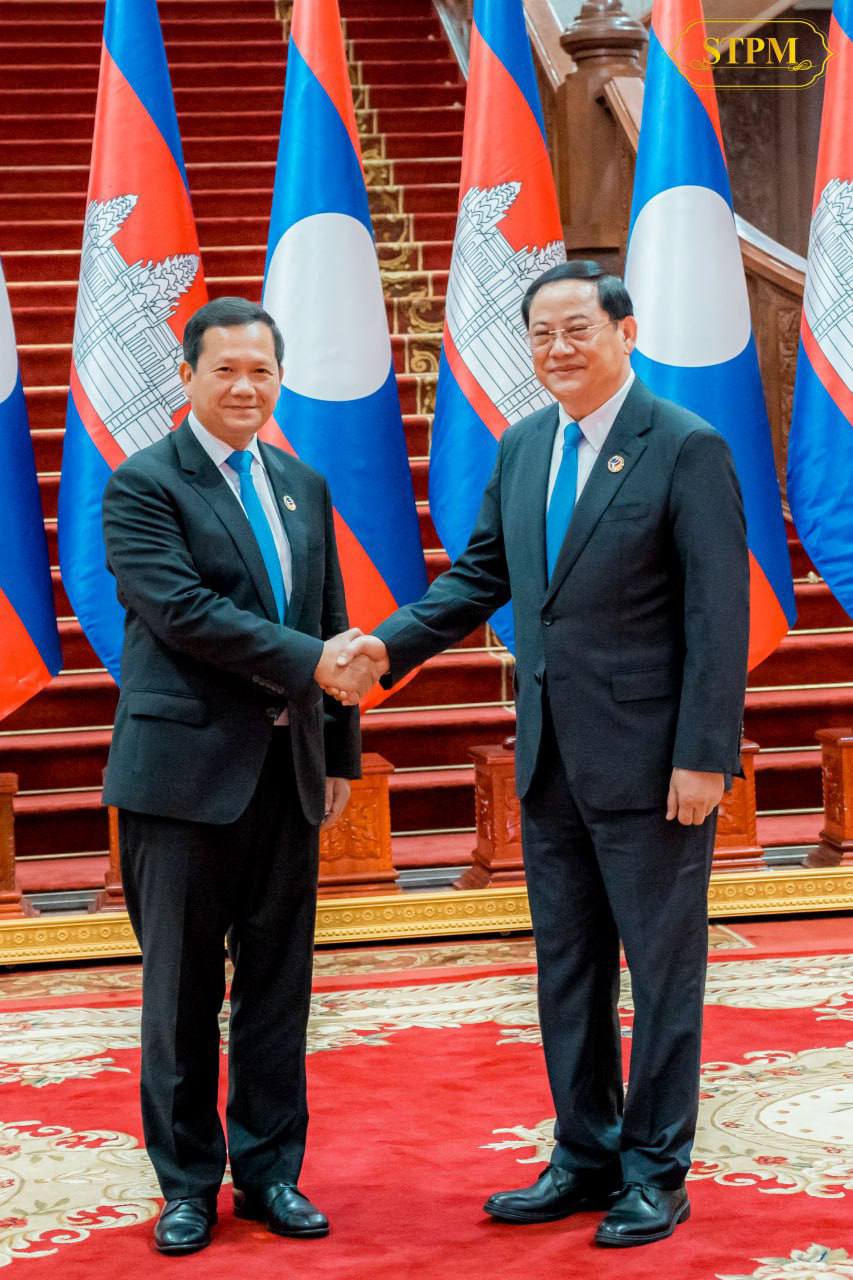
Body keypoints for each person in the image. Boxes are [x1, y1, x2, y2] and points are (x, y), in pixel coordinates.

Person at [327, 260, 749, 1247]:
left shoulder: (684, 446)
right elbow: (481, 575)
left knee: (662, 972)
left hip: (654, 764)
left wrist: (703, 754)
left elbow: (715, 615)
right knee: (567, 967)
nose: (557, 349)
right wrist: (387, 646)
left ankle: (656, 1171)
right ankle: (583, 1152)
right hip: (552, 757)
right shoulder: (523, 446)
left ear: (624, 333)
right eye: (540, 333)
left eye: (576, 329)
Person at [101, 297, 362, 1256]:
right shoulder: (143, 483)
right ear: (188, 376)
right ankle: (185, 1186)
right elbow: (182, 612)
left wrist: (339, 752)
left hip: (287, 776)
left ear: (279, 378)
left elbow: (329, 615)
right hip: (181, 779)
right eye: (226, 370)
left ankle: (269, 1174)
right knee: (180, 995)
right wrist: (314, 662)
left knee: (277, 988)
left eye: (262, 371)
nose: (246, 387)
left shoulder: (301, 483)